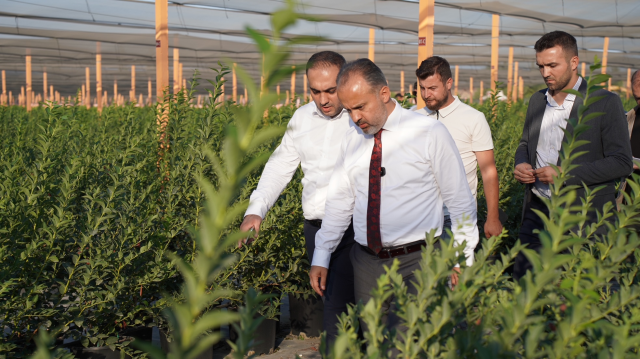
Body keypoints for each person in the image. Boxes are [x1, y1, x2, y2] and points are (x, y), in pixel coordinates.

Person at [309, 59, 478, 334]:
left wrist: (462, 259)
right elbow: (340, 202)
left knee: (411, 342)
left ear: (384, 94)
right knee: (375, 341)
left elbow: (459, 201)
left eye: (361, 107)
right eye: (349, 110)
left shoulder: (428, 133)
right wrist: (322, 254)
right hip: (366, 263)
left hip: (418, 260)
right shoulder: (352, 138)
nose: (355, 118)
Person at [239, 51, 356, 346]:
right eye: (315, 91)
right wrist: (256, 211)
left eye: (330, 90)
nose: (324, 99)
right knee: (332, 306)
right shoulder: (302, 118)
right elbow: (279, 167)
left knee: (355, 308)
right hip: (316, 228)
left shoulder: (360, 117)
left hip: (357, 228)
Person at [513, 31, 632, 279]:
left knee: (578, 291)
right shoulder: (537, 101)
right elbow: (526, 141)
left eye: (552, 65)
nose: (545, 73)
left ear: (574, 62)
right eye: (541, 66)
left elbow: (622, 162)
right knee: (525, 287)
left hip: (582, 216)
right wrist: (521, 161)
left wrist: (564, 174)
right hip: (537, 210)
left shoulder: (604, 102)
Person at [415, 56, 503, 239]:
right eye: (422, 88)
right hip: (421, 217)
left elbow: (488, 171)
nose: (426, 95)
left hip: (458, 218)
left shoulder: (473, 118)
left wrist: (492, 217)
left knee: (456, 267)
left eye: (432, 88)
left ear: (449, 83)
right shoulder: (413, 118)